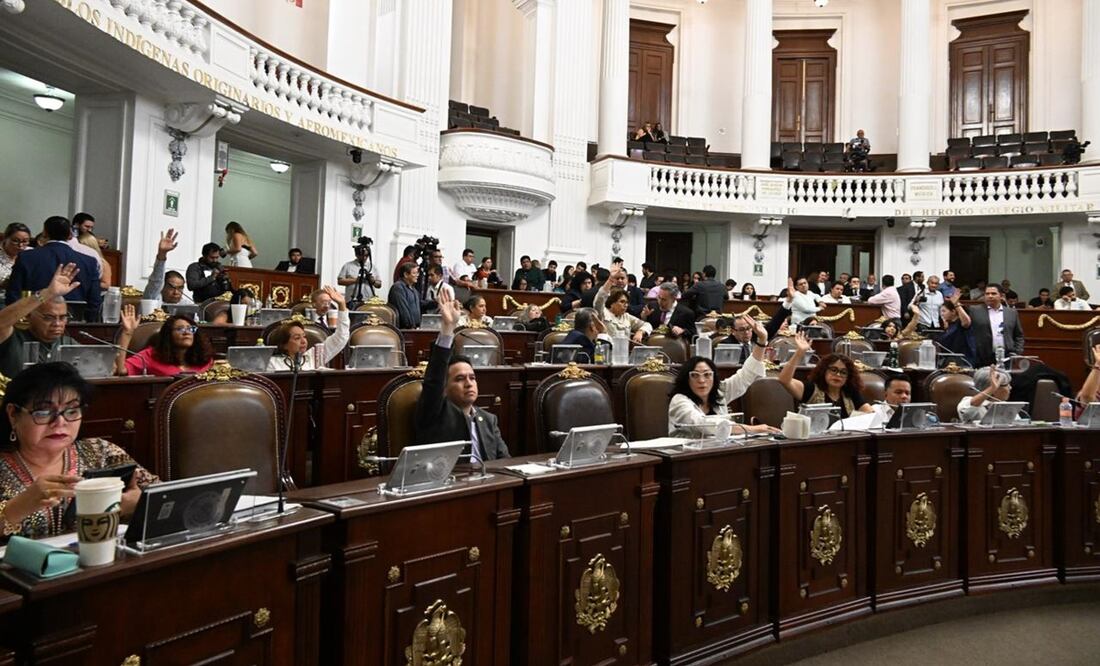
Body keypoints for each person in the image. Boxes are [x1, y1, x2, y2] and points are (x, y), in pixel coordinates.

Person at [0, 362, 158, 539]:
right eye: (43, 412)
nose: (60, 423)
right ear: (13, 414)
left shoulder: (101, 451)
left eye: (71, 411)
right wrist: (14, 510)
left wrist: (139, 503)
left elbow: (167, 498)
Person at [413, 289, 509, 460]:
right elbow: (434, 381)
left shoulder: (488, 420)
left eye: (472, 378)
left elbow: (504, 461)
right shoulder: (435, 412)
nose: (469, 383)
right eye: (459, 379)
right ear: (445, 388)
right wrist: (448, 328)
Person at [667, 319, 779, 437]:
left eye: (707, 375)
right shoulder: (679, 400)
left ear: (714, 378)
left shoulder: (719, 393)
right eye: (695, 375)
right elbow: (704, 424)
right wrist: (751, 429)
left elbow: (746, 375)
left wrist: (762, 341)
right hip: (687, 453)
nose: (702, 380)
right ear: (686, 379)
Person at [4, 216, 101, 314]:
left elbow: (13, 293)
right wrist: (88, 321)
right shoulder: (89, 261)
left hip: (34, 318)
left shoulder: (27, 257)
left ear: (44, 233)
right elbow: (95, 300)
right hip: (75, 320)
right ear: (70, 235)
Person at [0, 264, 82, 379]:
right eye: (48, 318)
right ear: (28, 316)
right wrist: (47, 293)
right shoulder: (13, 340)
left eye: (62, 317)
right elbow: (1, 322)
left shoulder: (69, 344)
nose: (57, 324)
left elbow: (101, 367)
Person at [778, 332, 875, 418]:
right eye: (833, 370)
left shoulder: (850, 393)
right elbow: (784, 380)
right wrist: (799, 353)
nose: (838, 375)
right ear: (824, 370)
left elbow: (870, 414)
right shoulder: (811, 389)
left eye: (843, 372)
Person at [266, 286, 349, 372]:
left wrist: (342, 304)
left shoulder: (314, 357)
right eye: (297, 338)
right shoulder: (272, 363)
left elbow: (341, 337)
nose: (304, 341)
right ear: (284, 344)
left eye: (304, 336)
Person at [114, 309, 214, 376]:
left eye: (191, 329)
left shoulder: (204, 358)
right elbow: (121, 369)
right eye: (180, 329)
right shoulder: (152, 355)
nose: (187, 332)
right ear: (168, 334)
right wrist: (127, 333)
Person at [967, 284, 1024, 366]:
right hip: (981, 356)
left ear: (1001, 296)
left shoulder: (1011, 313)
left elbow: (1019, 335)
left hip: (1006, 356)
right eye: (987, 294)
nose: (990, 296)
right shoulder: (974, 311)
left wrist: (1017, 352)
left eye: (993, 293)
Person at [594, 274, 651, 342]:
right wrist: (610, 280)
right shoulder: (603, 314)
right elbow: (599, 300)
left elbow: (647, 325)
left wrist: (640, 332)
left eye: (627, 302)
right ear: (612, 303)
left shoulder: (627, 317)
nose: (626, 305)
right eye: (622, 302)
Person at [140, 228, 187, 304]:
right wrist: (162, 253)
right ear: (162, 287)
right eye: (172, 288)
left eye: (180, 288)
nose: (176, 292)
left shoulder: (186, 305)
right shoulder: (153, 298)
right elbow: (156, 282)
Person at [388, 262, 433, 329]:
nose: (417, 275)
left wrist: (435, 302)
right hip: (404, 330)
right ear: (406, 274)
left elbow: (420, 303)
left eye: (417, 273)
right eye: (414, 273)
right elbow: (403, 310)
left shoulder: (413, 289)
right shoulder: (398, 288)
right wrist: (410, 326)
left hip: (415, 328)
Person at [937, 295, 975, 362]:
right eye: (941, 312)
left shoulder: (960, 323)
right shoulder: (949, 325)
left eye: (944, 311)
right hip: (948, 360)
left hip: (963, 360)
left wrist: (956, 304)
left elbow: (967, 322)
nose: (941, 314)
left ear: (953, 312)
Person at [0, 222, 32, 299]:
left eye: (25, 241)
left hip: (27, 298)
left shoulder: (31, 253)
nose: (20, 245)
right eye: (15, 241)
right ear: (5, 238)